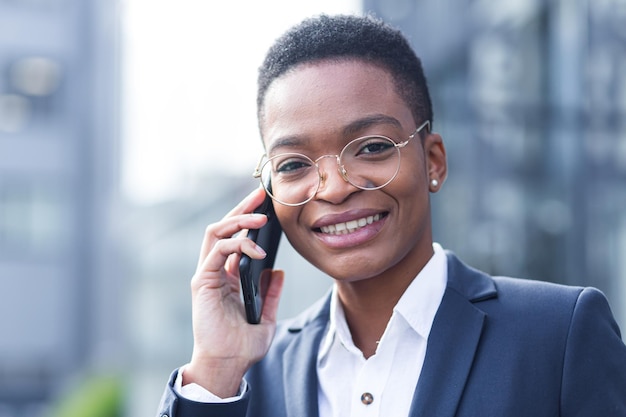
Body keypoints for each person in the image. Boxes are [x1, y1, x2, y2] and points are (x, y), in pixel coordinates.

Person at [156, 14, 626, 417]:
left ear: (433, 161)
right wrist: (215, 368)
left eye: (373, 147)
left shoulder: (559, 334)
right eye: (294, 164)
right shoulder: (251, 376)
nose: (336, 187)